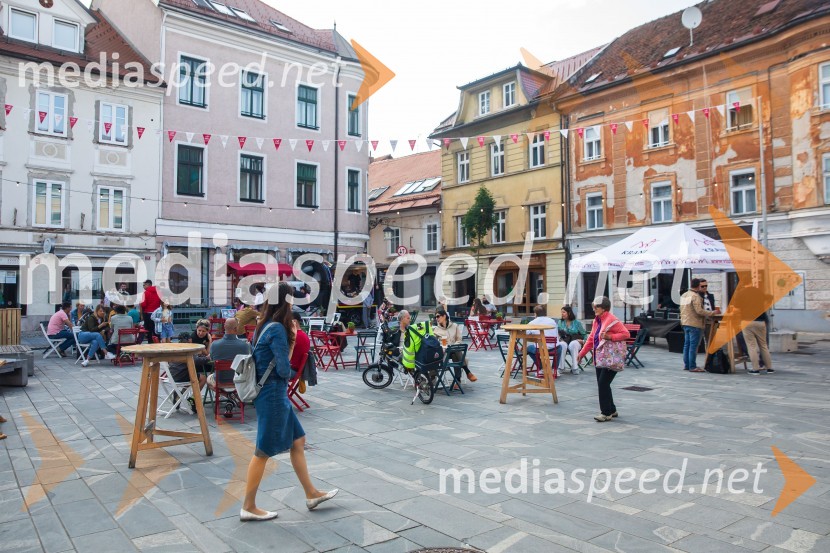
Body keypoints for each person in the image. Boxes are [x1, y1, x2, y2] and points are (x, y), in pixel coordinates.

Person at [242, 282, 337, 521]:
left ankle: (311, 493)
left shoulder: (262, 325)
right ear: (286, 301)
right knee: (263, 450)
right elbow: (284, 369)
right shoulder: (277, 329)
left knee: (298, 441)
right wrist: (293, 340)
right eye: (292, 298)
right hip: (274, 392)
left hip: (271, 393)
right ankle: (248, 506)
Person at [578, 296, 630, 422]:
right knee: (603, 384)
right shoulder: (598, 320)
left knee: (603, 383)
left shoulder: (612, 319)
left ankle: (606, 413)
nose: (594, 309)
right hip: (600, 357)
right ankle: (612, 409)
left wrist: (610, 336)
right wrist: (582, 353)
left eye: (596, 307)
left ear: (603, 308)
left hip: (611, 358)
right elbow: (591, 338)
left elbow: (626, 334)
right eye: (593, 306)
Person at [680, 278, 719, 372]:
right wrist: (712, 313)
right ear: (698, 286)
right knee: (693, 346)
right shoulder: (695, 296)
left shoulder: (684, 295)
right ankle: (692, 366)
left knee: (687, 345)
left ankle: (687, 365)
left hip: (685, 322)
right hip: (695, 323)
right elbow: (699, 311)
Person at [733, 287, 774, 375]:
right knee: (763, 345)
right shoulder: (758, 291)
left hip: (747, 321)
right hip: (761, 321)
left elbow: (736, 307)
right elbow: (770, 297)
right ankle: (769, 368)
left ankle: (755, 369)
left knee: (751, 346)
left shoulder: (741, 293)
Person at [166, 332, 207, 412]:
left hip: (172, 375)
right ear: (189, 339)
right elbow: (196, 361)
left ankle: (179, 394)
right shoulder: (187, 348)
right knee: (203, 378)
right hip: (181, 375)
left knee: (192, 377)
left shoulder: (175, 347)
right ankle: (193, 398)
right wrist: (207, 358)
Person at [433, 307, 476, 383]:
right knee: (456, 351)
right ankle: (466, 372)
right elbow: (435, 344)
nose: (436, 318)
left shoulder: (454, 326)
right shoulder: (436, 329)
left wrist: (454, 346)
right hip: (444, 353)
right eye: (435, 317)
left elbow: (459, 340)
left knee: (455, 352)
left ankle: (457, 380)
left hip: (454, 350)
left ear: (444, 316)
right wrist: (442, 346)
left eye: (438, 316)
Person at [207, 319, 252, 387]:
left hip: (220, 380)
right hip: (239, 380)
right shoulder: (245, 346)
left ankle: (226, 395)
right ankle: (231, 395)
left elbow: (212, 359)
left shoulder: (214, 344)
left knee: (208, 379)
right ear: (236, 328)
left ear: (224, 327)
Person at [557, 306, 587, 375]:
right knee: (562, 344)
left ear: (569, 313)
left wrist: (582, 341)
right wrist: (560, 339)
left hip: (575, 341)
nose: (562, 314)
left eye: (564, 312)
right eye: (561, 312)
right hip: (565, 341)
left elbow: (584, 334)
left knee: (573, 344)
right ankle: (561, 367)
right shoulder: (560, 322)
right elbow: (557, 333)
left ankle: (575, 367)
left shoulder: (577, 323)